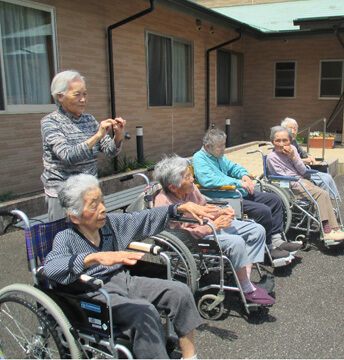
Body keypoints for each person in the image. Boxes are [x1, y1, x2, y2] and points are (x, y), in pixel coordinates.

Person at [44, 174, 212, 358]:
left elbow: (143, 218)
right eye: (94, 205)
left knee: (179, 292)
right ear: (74, 217)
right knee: (143, 312)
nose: (103, 209)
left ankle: (190, 357)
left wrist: (178, 208)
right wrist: (94, 258)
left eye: (102, 201)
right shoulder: (66, 238)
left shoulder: (110, 224)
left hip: (124, 281)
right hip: (96, 294)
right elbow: (51, 267)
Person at [153, 155, 274, 305]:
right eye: (187, 177)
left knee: (257, 230)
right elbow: (182, 237)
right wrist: (213, 227)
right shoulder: (163, 204)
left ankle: (244, 281)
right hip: (197, 238)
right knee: (236, 242)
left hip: (211, 225)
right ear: (173, 187)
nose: (192, 179)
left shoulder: (191, 189)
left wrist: (221, 211)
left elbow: (206, 208)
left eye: (190, 174)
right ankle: (247, 289)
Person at [193, 128, 301, 262]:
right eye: (220, 146)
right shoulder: (200, 158)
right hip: (224, 197)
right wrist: (237, 183)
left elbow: (233, 167)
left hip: (236, 193)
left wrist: (244, 175)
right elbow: (207, 180)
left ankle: (277, 239)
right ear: (208, 146)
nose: (223, 148)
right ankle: (267, 247)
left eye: (224, 145)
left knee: (274, 200)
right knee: (263, 211)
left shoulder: (218, 156)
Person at [41, 70, 127, 221]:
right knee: (64, 236)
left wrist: (118, 136)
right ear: (60, 96)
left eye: (85, 94)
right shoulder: (50, 122)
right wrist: (97, 136)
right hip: (63, 192)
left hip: (89, 190)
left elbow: (110, 150)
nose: (83, 100)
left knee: (92, 235)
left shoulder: (89, 120)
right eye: (77, 95)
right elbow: (67, 155)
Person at [266, 126, 344, 243]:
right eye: (278, 141)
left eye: (285, 140)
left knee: (325, 193)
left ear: (291, 140)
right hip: (289, 187)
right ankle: (327, 232)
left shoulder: (292, 149)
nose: (281, 144)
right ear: (273, 142)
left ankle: (336, 229)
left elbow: (302, 170)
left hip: (301, 182)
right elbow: (281, 177)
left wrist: (293, 157)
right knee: (321, 194)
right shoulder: (272, 158)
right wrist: (299, 183)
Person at [281, 117, 341, 200]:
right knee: (324, 179)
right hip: (295, 174)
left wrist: (309, 156)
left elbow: (302, 152)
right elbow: (287, 162)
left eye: (295, 129)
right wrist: (304, 161)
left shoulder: (293, 142)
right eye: (290, 128)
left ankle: (330, 201)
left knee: (327, 176)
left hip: (301, 170)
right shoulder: (283, 145)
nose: (293, 131)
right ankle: (322, 202)